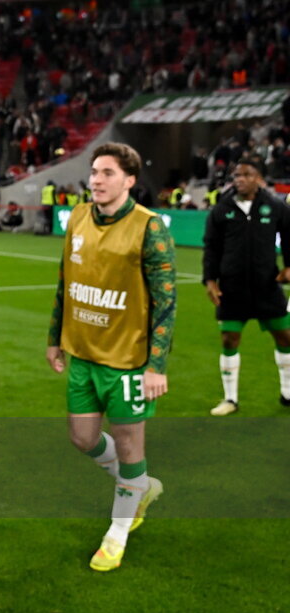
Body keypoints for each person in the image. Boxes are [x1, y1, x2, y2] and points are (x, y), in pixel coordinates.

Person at [46, 142, 176, 572]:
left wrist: (156, 365)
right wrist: (54, 337)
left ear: (130, 180)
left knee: (128, 442)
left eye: (107, 173)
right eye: (95, 172)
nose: (96, 180)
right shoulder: (79, 217)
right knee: (82, 439)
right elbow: (66, 281)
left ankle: (117, 532)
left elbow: (165, 301)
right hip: (82, 353)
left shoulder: (149, 226)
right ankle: (138, 484)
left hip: (127, 360)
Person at [202, 156, 290, 415]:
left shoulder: (275, 206)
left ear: (258, 179)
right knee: (229, 339)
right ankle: (230, 399)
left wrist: (288, 265)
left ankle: (287, 392)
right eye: (236, 176)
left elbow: (288, 235)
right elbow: (211, 246)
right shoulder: (221, 209)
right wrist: (209, 279)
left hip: (267, 285)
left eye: (246, 175)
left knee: (285, 337)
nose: (240, 180)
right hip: (232, 287)